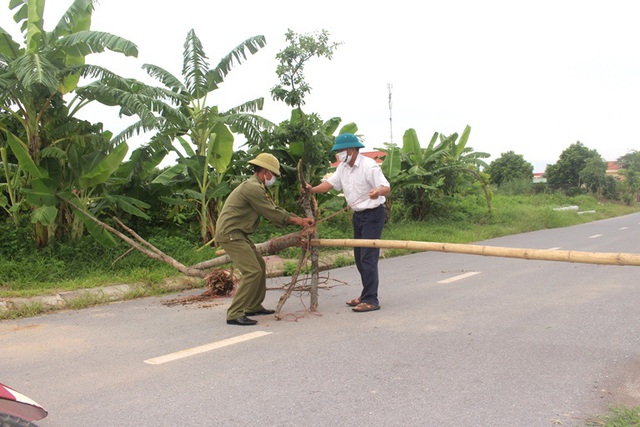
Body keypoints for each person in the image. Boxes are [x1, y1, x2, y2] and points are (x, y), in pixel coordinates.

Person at [215, 153, 314, 326]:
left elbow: (273, 208)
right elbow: (271, 212)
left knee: (259, 265)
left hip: (238, 233)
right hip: (230, 234)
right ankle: (234, 313)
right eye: (273, 175)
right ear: (266, 172)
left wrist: (295, 218)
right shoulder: (252, 187)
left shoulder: (256, 186)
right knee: (252, 271)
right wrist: (299, 220)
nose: (273, 179)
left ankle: (253, 306)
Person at [305, 133, 390, 313]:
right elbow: (329, 184)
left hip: (373, 215)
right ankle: (365, 293)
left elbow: (386, 187)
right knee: (359, 257)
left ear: (352, 149)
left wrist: (377, 192)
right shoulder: (343, 167)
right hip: (358, 216)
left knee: (368, 257)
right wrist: (312, 190)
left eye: (341, 150)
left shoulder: (369, 166)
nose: (339, 154)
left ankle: (371, 299)